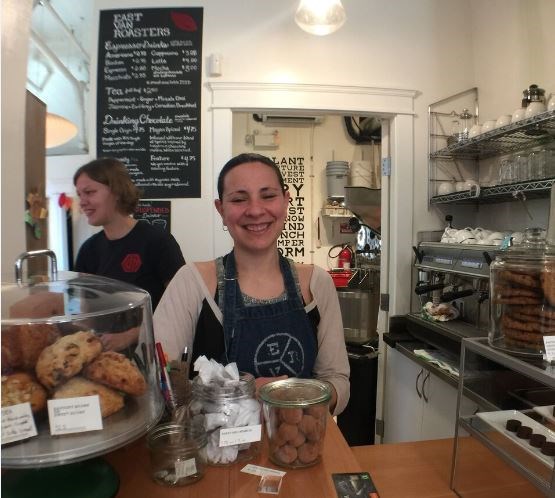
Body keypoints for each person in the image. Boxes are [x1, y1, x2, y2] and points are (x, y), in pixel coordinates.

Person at [154, 153, 349, 415]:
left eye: (268, 196)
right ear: (221, 210)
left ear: (286, 201)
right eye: (238, 199)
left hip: (299, 447)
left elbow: (337, 380)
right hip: (217, 452)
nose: (256, 210)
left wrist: (292, 398)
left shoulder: (316, 283)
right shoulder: (192, 283)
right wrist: (238, 395)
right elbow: (160, 383)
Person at [74, 157, 185, 351]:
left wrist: (130, 336)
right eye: (79, 194)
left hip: (151, 354)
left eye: (90, 192)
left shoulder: (158, 242)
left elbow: (180, 308)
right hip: (103, 354)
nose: (82, 202)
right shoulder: (88, 250)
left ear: (116, 191)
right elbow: (86, 312)